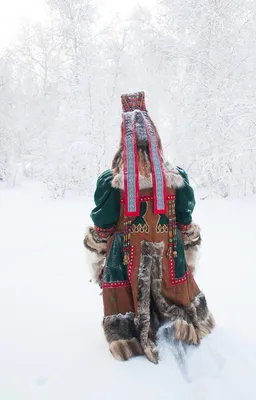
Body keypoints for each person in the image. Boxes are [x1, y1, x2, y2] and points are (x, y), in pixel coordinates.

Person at [84, 92, 214, 364]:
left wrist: (98, 260)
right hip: (169, 251)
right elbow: (185, 222)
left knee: (122, 275)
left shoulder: (110, 181)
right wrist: (186, 254)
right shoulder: (176, 177)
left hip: (125, 257)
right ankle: (182, 318)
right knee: (172, 272)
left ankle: (126, 333)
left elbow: (102, 227)